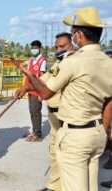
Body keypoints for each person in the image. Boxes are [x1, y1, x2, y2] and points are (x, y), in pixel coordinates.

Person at [14, 7, 112, 191]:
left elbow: (45, 93)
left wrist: (30, 76)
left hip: (76, 134)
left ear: (78, 35)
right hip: (96, 132)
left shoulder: (73, 61)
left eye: (73, 33)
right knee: (90, 185)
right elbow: (109, 101)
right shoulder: (107, 61)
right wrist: (103, 129)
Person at [16, 32, 73, 191]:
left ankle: (37, 133)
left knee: (66, 157)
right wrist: (25, 86)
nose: (58, 50)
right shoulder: (58, 63)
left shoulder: (71, 64)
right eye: (56, 47)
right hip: (53, 113)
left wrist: (38, 90)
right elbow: (45, 78)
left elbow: (45, 85)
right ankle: (55, 185)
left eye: (62, 46)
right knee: (54, 153)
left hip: (65, 116)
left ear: (74, 43)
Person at [22, 40, 47, 142]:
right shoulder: (31, 60)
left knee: (36, 112)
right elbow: (25, 69)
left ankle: (38, 135)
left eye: (35, 48)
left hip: (37, 91)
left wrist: (41, 93)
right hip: (30, 90)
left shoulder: (42, 61)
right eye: (32, 48)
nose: (33, 50)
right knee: (32, 111)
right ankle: (34, 131)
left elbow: (43, 78)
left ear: (40, 49)